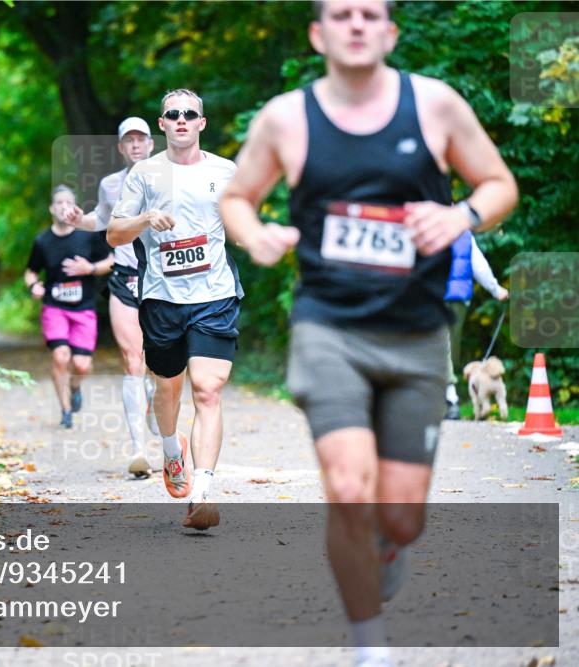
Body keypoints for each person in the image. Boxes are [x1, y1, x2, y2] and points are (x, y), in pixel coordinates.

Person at [218, 2, 517, 665]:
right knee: (349, 488)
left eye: (370, 13)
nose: (356, 23)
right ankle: (368, 644)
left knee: (402, 515)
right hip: (329, 327)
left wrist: (460, 214)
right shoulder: (287, 118)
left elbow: (499, 185)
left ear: (390, 32)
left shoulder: (435, 106)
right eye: (341, 13)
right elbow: (236, 197)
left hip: (416, 333)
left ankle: (386, 545)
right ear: (318, 33)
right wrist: (257, 235)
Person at [108, 89, 242, 531]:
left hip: (215, 294)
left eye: (190, 114)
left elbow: (242, 225)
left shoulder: (226, 171)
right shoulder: (144, 174)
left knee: (207, 389)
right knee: (167, 391)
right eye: (173, 114)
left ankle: (202, 494)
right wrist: (146, 218)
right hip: (162, 299)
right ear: (162, 124)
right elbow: (114, 234)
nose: (181, 119)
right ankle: (171, 451)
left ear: (202, 123)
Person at [63, 117, 160, 477]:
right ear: (120, 147)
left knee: (158, 364)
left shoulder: (168, 179)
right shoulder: (110, 185)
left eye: (141, 139)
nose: (135, 145)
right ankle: (139, 451)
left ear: (152, 144)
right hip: (124, 278)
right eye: (128, 140)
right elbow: (99, 221)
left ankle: (155, 405)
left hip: (162, 280)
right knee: (132, 359)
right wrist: (77, 220)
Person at [25, 185, 114, 429]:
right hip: (54, 307)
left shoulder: (88, 235)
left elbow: (112, 260)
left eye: (68, 202)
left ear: (75, 207)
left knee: (82, 365)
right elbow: (31, 272)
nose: (64, 207)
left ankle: (75, 388)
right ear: (52, 209)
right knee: (60, 355)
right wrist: (34, 287)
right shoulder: (42, 241)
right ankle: (65, 411)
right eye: (59, 203)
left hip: (83, 307)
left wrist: (91, 269)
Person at [442, 230, 509, 419]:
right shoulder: (464, 234)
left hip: (433, 295)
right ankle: (450, 398)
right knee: (448, 347)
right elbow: (480, 266)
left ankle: (448, 398)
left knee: (438, 346)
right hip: (458, 298)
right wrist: (496, 290)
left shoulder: (428, 222)